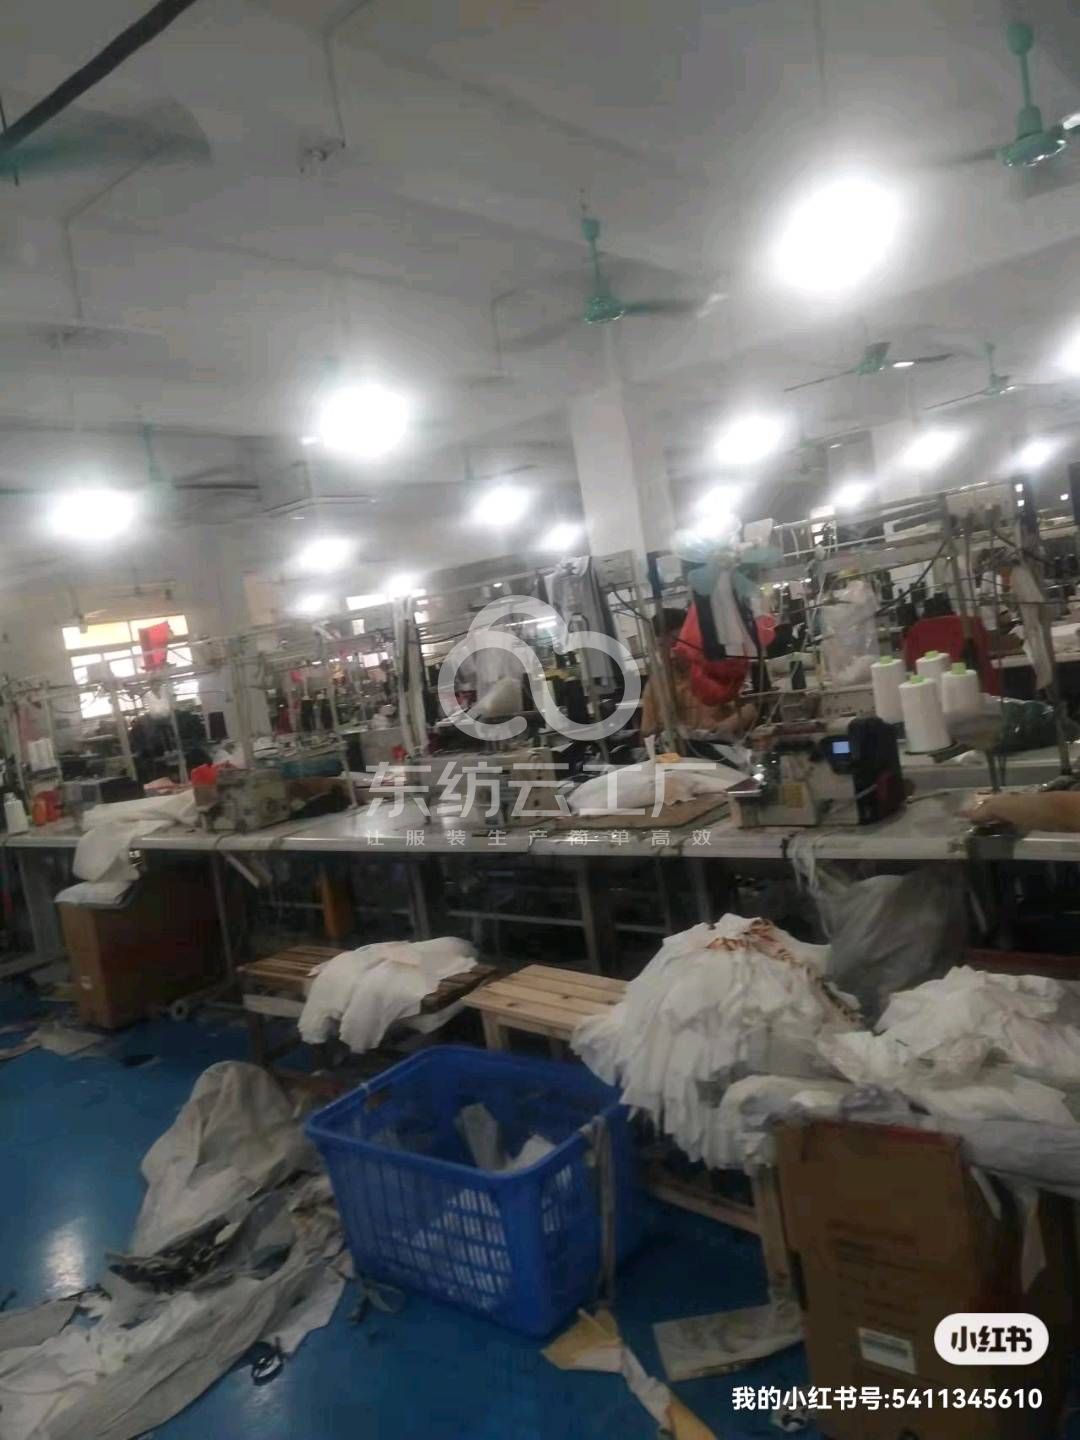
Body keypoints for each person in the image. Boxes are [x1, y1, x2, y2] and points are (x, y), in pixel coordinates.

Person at [639, 608, 757, 740]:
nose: (671, 653)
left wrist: (727, 725)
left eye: (676, 643)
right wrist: (664, 731)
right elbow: (646, 731)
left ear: (690, 639)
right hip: (677, 750)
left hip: (718, 744)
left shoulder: (713, 669)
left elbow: (751, 709)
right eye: (662, 646)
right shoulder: (655, 685)